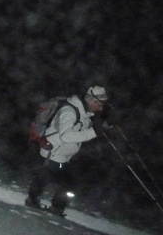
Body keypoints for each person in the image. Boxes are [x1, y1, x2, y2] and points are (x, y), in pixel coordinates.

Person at [25, 85, 109, 216]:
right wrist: (93, 132)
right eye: (99, 105)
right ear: (91, 100)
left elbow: (81, 130)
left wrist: (103, 127)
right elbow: (66, 136)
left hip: (63, 155)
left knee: (65, 182)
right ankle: (35, 200)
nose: (101, 108)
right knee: (47, 179)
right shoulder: (69, 112)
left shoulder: (84, 113)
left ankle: (54, 207)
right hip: (53, 153)